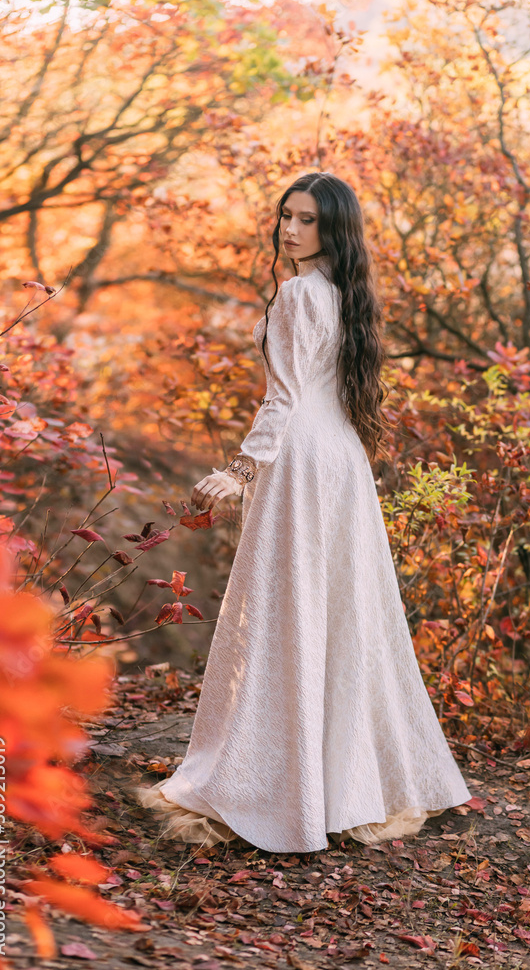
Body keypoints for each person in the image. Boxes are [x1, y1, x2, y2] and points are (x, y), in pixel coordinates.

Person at [135, 172, 471, 853]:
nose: (290, 230)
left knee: (290, 610)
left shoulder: (297, 295)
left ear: (333, 228)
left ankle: (286, 789)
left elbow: (282, 400)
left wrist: (238, 469)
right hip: (340, 463)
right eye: (285, 216)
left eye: (307, 220)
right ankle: (334, 782)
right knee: (339, 613)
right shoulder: (347, 296)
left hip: (301, 462)